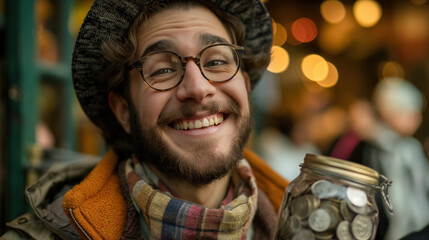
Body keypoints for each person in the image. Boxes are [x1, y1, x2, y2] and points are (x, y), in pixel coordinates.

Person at [1, 0, 288, 239]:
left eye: (216, 62)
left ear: (246, 87)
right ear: (124, 110)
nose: (199, 89)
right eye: (162, 69)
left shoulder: (312, 226)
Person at [328, 78, 429, 240]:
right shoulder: (368, 147)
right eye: (408, 111)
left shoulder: (412, 149)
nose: (416, 118)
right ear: (389, 112)